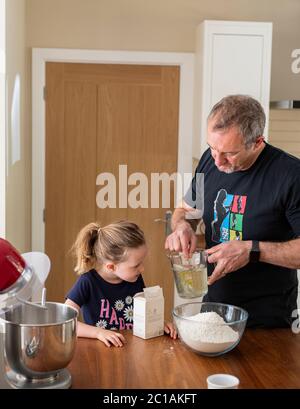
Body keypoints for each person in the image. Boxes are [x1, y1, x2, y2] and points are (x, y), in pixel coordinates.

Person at [165, 94, 300, 328]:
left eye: (230, 153)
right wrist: (182, 225)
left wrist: (253, 250)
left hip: (269, 318)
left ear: (258, 142)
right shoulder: (210, 160)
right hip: (214, 306)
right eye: (212, 148)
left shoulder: (291, 176)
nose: (218, 161)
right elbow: (185, 209)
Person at [66, 220, 177, 347]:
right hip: (99, 351)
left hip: (131, 348)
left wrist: (158, 323)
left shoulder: (135, 279)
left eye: (142, 263)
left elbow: (144, 313)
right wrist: (98, 333)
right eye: (136, 265)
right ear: (111, 267)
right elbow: (65, 322)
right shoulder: (87, 282)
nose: (142, 269)